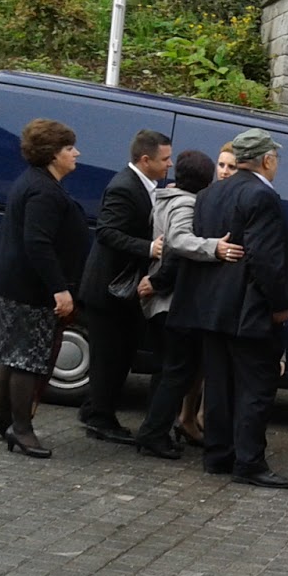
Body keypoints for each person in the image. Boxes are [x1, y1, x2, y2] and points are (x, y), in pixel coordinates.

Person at [170, 128, 288, 488]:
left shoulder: (209, 193)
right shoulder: (261, 196)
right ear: (267, 160)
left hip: (212, 307)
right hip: (248, 309)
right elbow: (265, 258)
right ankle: (249, 461)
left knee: (219, 385)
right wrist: (280, 303)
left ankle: (218, 454)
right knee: (255, 388)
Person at [0, 119, 88, 457]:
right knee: (28, 359)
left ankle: (0, 416)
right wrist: (60, 289)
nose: (76, 153)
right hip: (29, 288)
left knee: (12, 354)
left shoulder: (33, 181)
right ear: (53, 154)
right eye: (69, 148)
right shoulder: (43, 191)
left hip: (13, 282)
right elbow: (38, 243)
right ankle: (22, 428)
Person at [132, 149, 243, 460]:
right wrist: (214, 247)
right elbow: (178, 244)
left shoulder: (167, 198)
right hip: (171, 300)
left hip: (164, 298)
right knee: (178, 371)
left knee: (170, 370)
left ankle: (156, 430)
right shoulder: (186, 204)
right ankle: (153, 434)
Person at [76, 129, 172, 444]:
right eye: (165, 159)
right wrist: (149, 248)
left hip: (122, 292)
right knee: (110, 359)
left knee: (120, 355)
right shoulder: (123, 187)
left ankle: (93, 409)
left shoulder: (145, 185)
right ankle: (101, 420)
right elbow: (107, 232)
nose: (169, 164)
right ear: (145, 160)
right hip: (109, 290)